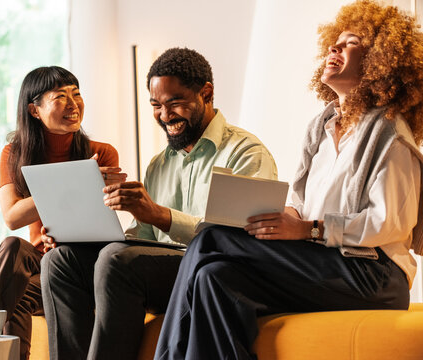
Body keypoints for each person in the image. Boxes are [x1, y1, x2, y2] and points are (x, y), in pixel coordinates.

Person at [154, 1, 423, 359]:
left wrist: (310, 230)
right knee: (213, 277)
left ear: (380, 62)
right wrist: (276, 220)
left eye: (350, 43)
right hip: (326, 262)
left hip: (374, 275)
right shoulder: (321, 129)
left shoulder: (390, 135)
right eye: (335, 42)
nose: (334, 48)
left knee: (209, 237)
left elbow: (388, 223)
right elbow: (299, 204)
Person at [40, 47, 278, 360]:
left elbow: (238, 243)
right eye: (156, 105)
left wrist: (158, 215)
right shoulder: (159, 164)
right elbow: (142, 240)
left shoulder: (245, 153)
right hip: (159, 274)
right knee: (60, 261)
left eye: (174, 102)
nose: (164, 116)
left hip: (214, 274)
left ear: (206, 93)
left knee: (116, 261)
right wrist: (81, 236)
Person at [0, 66, 125, 360]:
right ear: (34, 110)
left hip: (80, 267)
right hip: (38, 263)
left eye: (76, 94)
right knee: (12, 245)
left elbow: (101, 225)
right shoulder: (14, 153)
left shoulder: (102, 153)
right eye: (60, 96)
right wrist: (76, 179)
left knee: (21, 293)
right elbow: (13, 217)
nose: (73, 104)